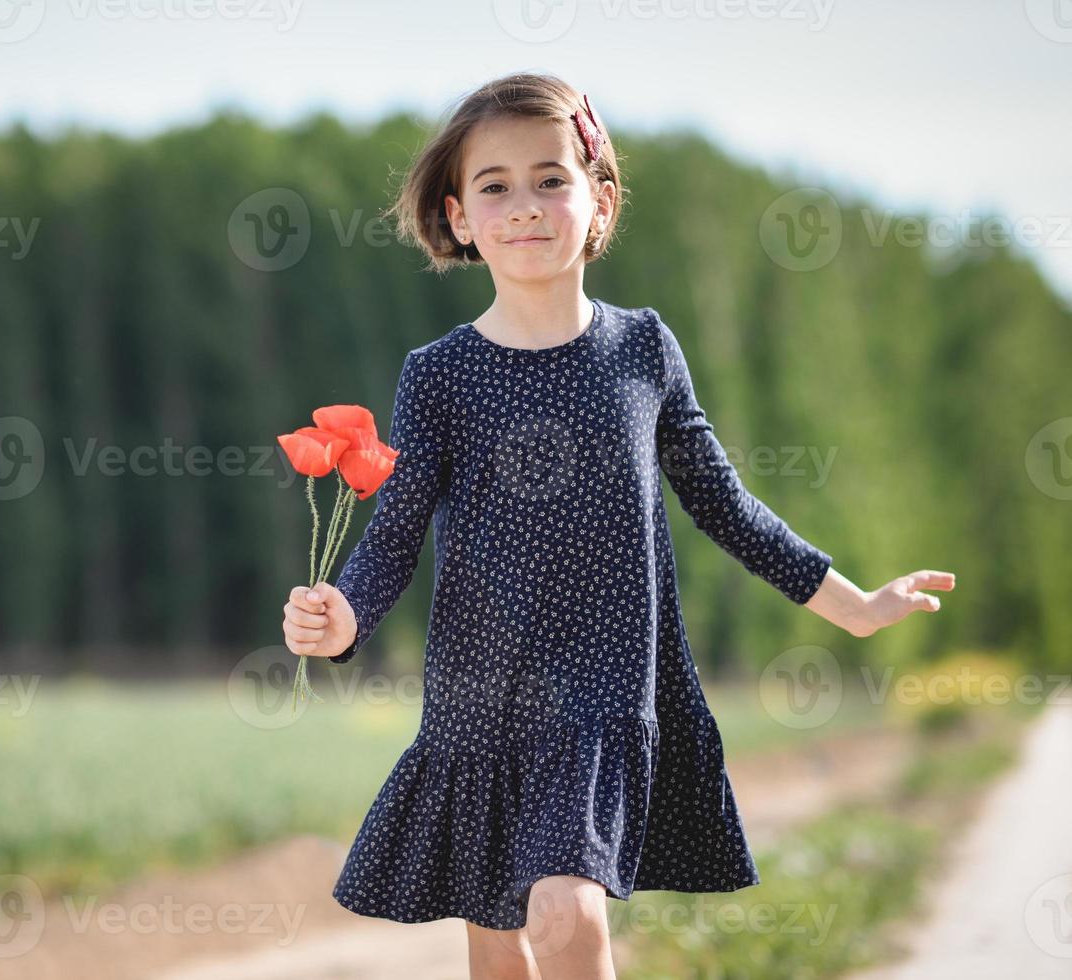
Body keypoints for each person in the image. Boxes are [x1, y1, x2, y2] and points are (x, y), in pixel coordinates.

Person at [280, 71, 954, 980]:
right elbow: (394, 534)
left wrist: (854, 606)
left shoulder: (642, 350)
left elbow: (722, 504)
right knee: (500, 945)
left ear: (597, 199)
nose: (524, 205)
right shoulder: (438, 374)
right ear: (460, 217)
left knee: (566, 916)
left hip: (600, 698)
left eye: (549, 178)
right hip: (478, 701)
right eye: (495, 186)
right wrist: (343, 619)